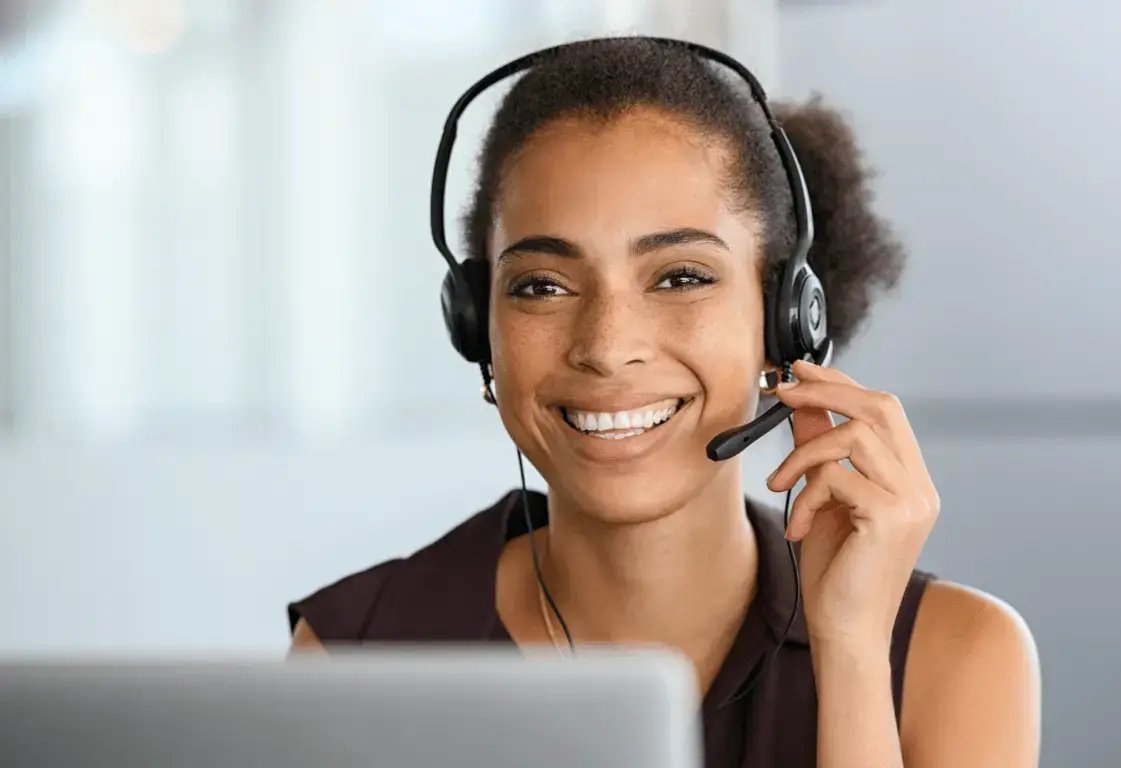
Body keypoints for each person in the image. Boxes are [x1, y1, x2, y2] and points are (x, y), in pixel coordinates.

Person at [288, 36, 1040, 768]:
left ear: (786, 319)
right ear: (476, 328)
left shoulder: (957, 656)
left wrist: (848, 656)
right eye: (541, 286)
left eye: (681, 277)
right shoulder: (363, 652)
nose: (607, 347)